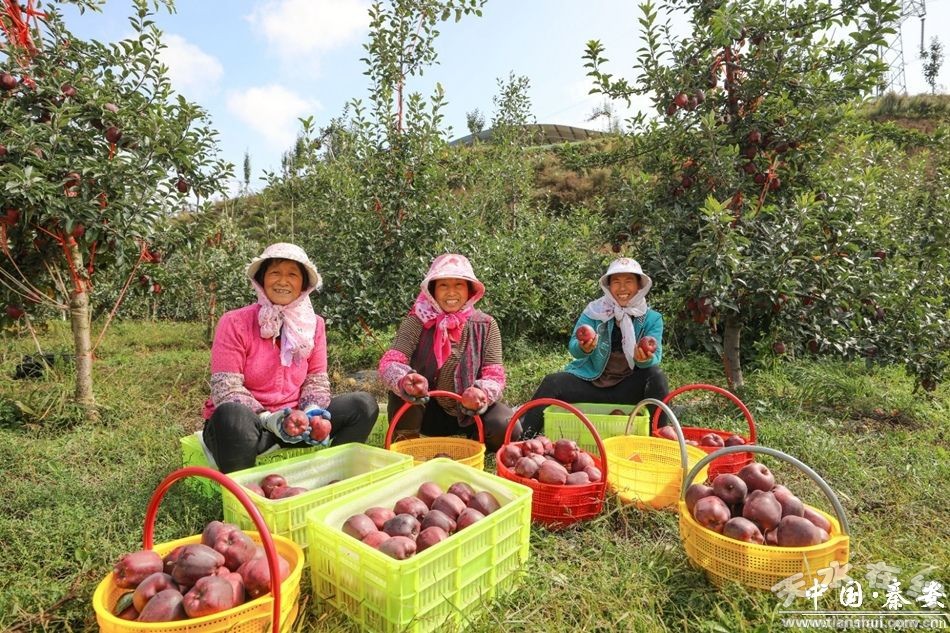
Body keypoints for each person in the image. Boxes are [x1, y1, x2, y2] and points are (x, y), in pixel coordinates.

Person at [202, 243, 379, 473]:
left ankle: (333, 476)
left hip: (296, 424)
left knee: (363, 405)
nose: (283, 281)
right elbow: (226, 389)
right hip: (253, 427)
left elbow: (316, 380)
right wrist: (271, 420)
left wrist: (312, 413)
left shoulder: (314, 325)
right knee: (231, 415)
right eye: (275, 272)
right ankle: (245, 491)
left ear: (303, 285)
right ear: (262, 280)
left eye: (292, 275)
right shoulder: (235, 322)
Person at [377, 253, 520, 453]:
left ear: (470, 290)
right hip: (426, 409)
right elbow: (391, 361)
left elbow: (494, 375)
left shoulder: (486, 325)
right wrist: (405, 380)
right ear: (432, 291)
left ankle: (474, 443)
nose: (451, 292)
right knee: (403, 391)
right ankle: (408, 444)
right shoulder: (417, 320)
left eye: (459, 285)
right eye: (443, 285)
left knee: (506, 426)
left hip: (470, 412)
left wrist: (481, 393)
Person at [520, 257, 669, 436]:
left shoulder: (652, 319)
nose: (622, 288)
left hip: (627, 388)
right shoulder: (595, 311)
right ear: (608, 286)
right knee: (552, 382)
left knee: (656, 376)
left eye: (629, 281)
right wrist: (584, 348)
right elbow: (574, 347)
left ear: (639, 286)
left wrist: (643, 360)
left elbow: (655, 357)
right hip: (593, 383)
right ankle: (523, 438)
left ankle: (658, 436)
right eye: (616, 282)